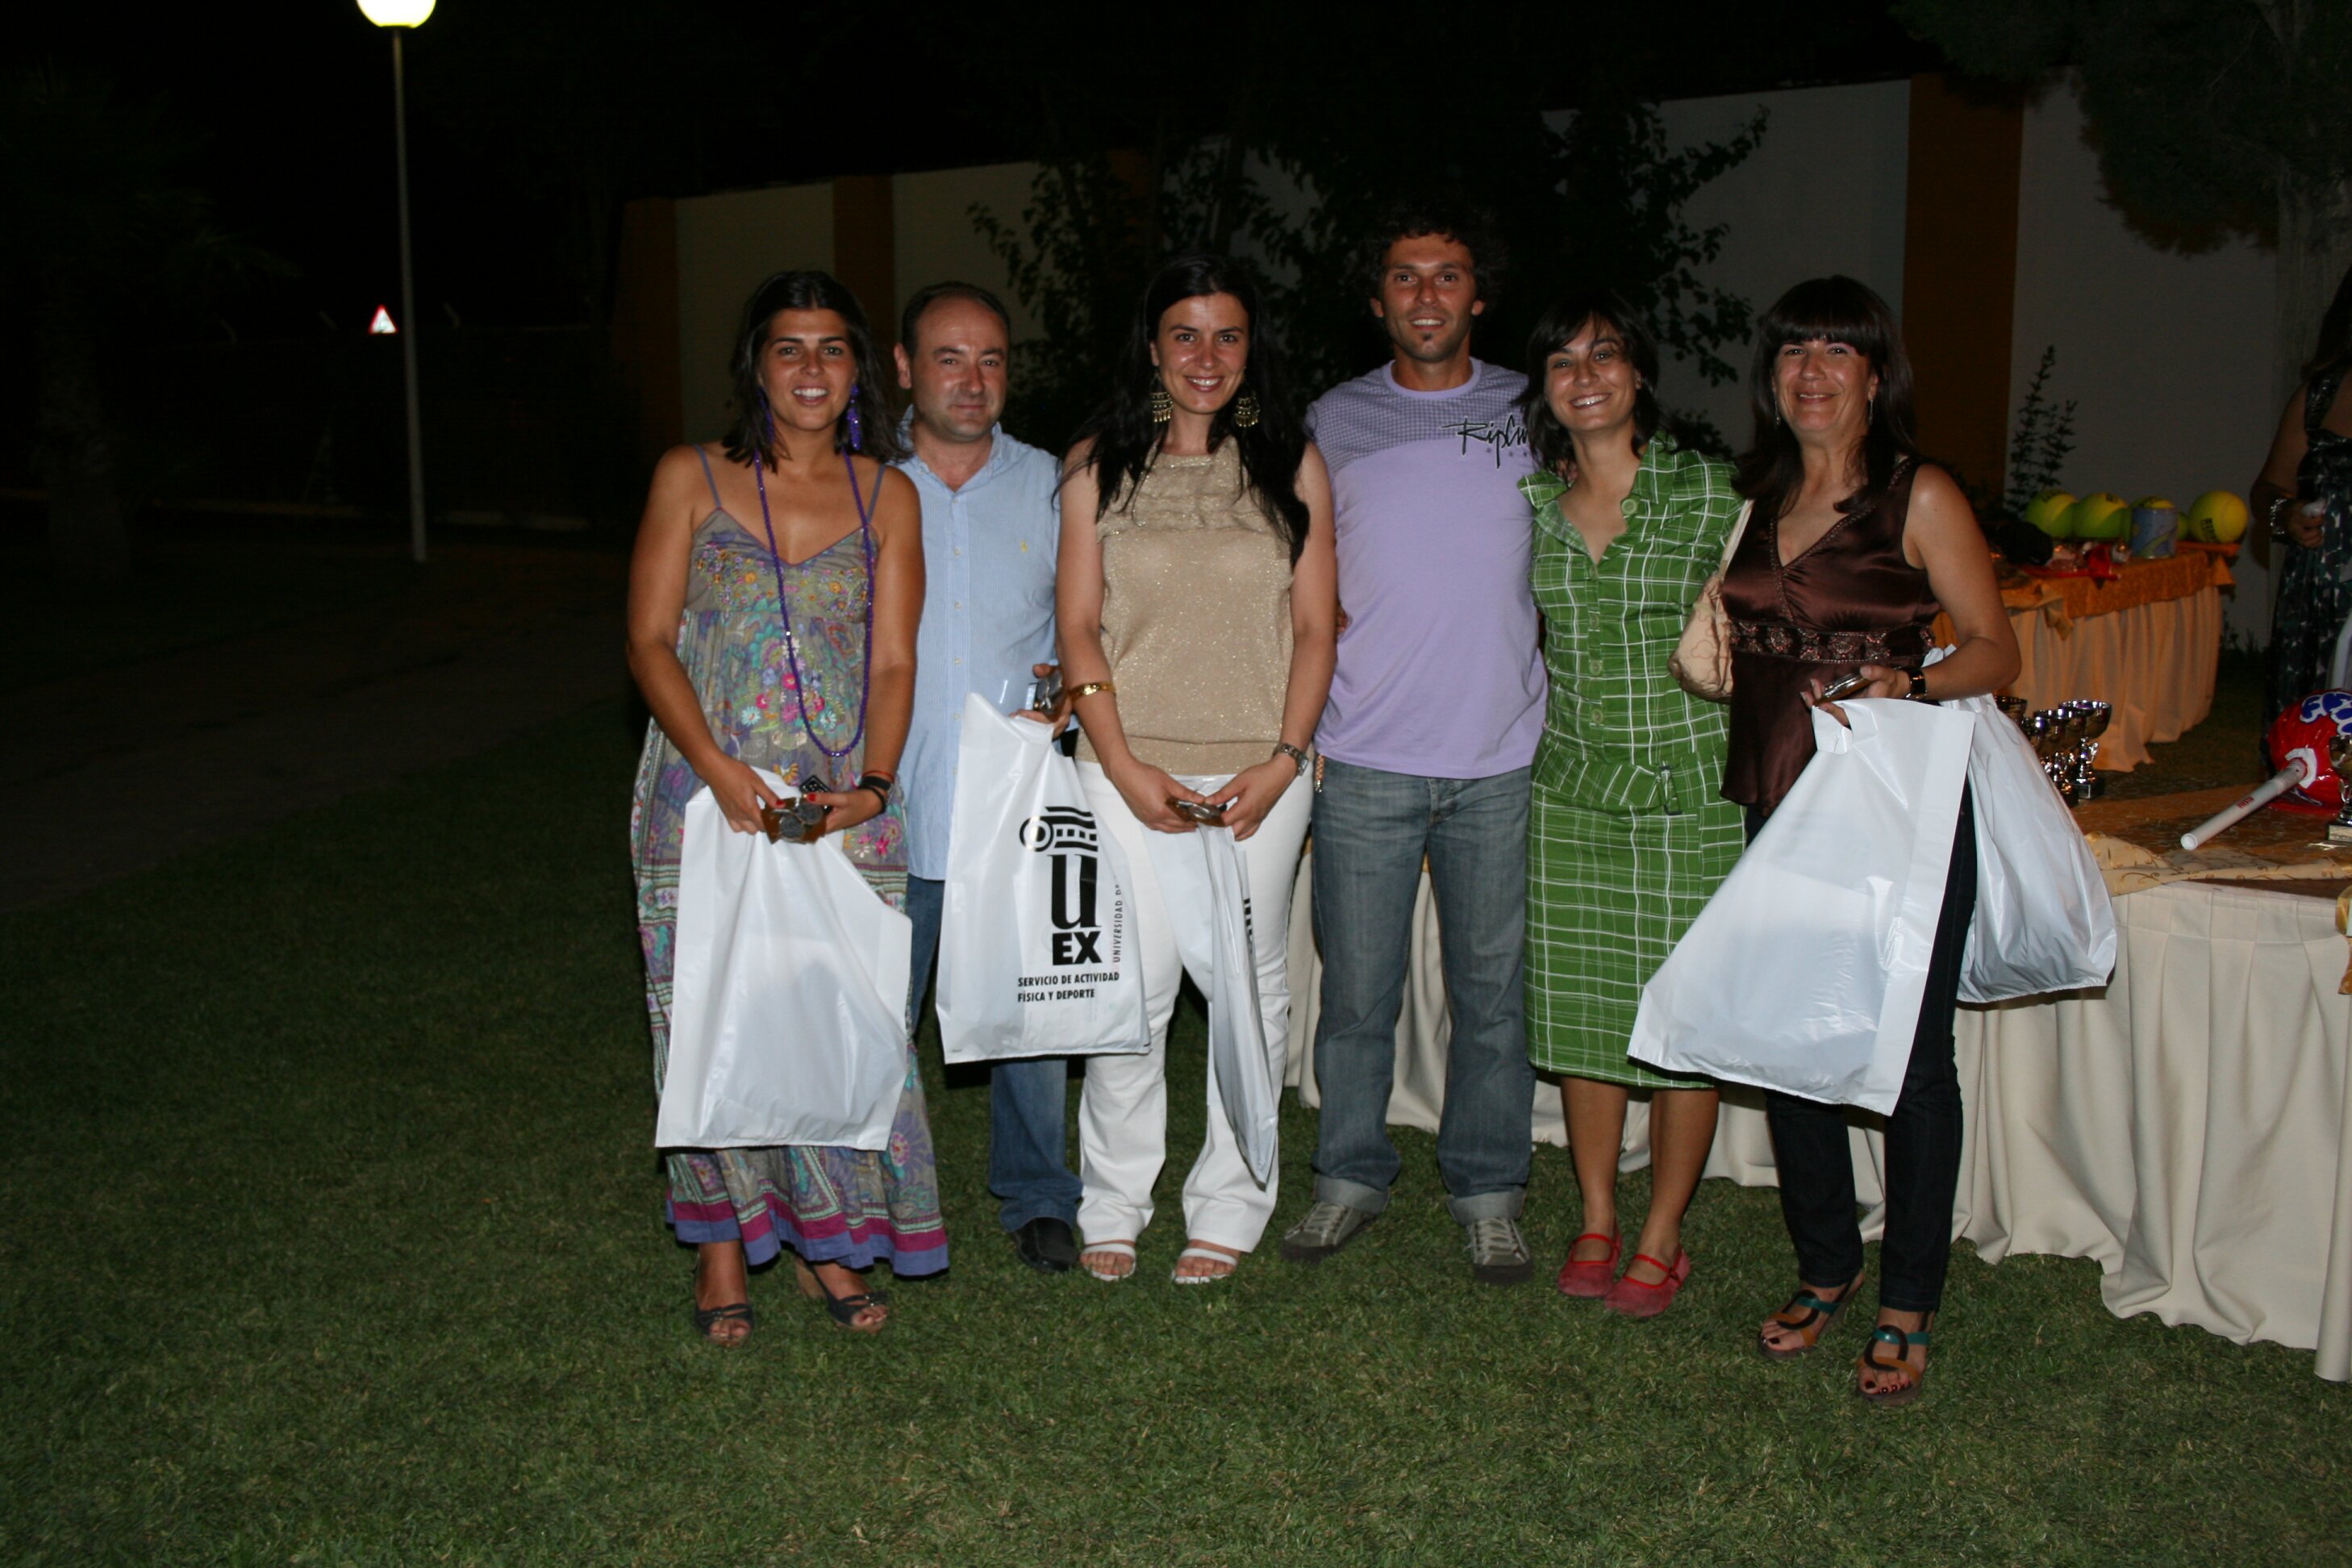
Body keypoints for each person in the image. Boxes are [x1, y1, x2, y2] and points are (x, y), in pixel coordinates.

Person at [626, 269, 940, 1341]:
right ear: (755, 365)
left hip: (838, 804)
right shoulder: (691, 475)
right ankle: (722, 1248)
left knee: (837, 1016)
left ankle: (828, 1240)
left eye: (832, 348)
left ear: (859, 370)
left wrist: (873, 789)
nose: (812, 368)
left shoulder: (888, 495)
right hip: (704, 795)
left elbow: (894, 661)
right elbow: (648, 641)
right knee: (711, 1015)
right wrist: (717, 767)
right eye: (789, 348)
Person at [1724, 277, 2018, 1404]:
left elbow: (1995, 648)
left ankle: (1910, 1299)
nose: (1812, 370)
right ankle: (1826, 1262)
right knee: (1793, 1042)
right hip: (1776, 802)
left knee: (1913, 1059)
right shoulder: (1756, 496)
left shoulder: (1918, 493)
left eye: (1837, 351)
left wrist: (1913, 682)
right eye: (1793, 349)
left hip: (1897, 808)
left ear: (1875, 374)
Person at [1056, 252, 1338, 1284]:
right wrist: (1123, 764)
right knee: (1128, 991)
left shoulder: (1293, 465)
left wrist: (1285, 759)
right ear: (1152, 348)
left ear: (1251, 350)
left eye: (1227, 335)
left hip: (1259, 774)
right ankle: (1114, 1201)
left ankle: (1232, 1199)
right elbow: (1078, 627)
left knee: (1247, 994)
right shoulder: (1096, 466)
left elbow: (1316, 630)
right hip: (1123, 769)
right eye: (1185, 334)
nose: (1206, 356)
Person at [1278, 198, 1545, 1285]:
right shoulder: (1332, 419)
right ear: (1376, 297)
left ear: (1478, 296)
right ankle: (1348, 1179)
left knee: (1495, 1001)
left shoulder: (1535, 406)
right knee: (1356, 998)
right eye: (1404, 276)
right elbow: (1293, 573)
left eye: (1447, 275)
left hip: (1501, 758)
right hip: (1366, 755)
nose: (1425, 295)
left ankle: (1488, 1193)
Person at [1515, 292, 1744, 1317]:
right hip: (1572, 793)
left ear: (1640, 372)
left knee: (1688, 1020)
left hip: (1694, 792)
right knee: (1584, 1015)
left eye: (1605, 354)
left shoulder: (1710, 490)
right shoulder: (1529, 509)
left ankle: (1663, 1232)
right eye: (1564, 361)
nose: (1586, 375)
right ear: (1545, 389)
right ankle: (1599, 1216)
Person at [890, 280, 1082, 1275]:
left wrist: (1067, 686)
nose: (973, 380)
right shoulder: (863, 488)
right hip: (890, 804)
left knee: (1030, 1013)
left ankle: (1039, 1194)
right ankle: (871, 1193)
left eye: (992, 359)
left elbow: (1087, 620)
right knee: (877, 1017)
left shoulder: (1054, 486)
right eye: (949, 358)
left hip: (1014, 804)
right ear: (904, 368)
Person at [2253, 264, 2352, 725]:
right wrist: (2286, 514)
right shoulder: (2320, 395)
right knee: (2311, 743)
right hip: (2317, 605)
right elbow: (2267, 489)